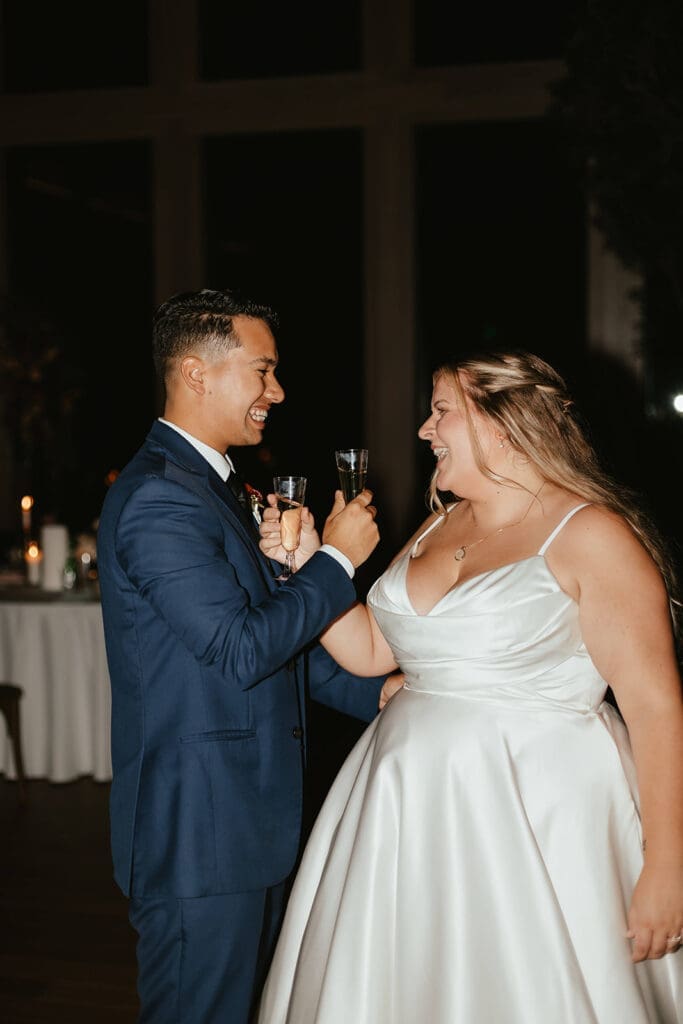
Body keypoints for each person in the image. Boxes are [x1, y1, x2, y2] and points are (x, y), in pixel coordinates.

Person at [256, 349, 683, 1023]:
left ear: (503, 424)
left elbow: (655, 706)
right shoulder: (438, 523)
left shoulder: (590, 533)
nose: (425, 431)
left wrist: (667, 868)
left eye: (441, 411)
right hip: (401, 804)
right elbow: (370, 650)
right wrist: (307, 563)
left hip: (535, 812)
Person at [96, 287, 402, 1024]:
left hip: (248, 821)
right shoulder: (156, 499)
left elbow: (280, 646)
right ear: (197, 373)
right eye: (262, 372)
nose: (278, 391)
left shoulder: (221, 489)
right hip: (197, 834)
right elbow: (238, 650)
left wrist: (382, 693)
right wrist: (335, 560)